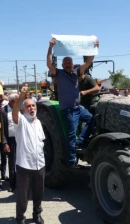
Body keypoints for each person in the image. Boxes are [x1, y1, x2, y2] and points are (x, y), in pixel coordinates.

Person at [46, 38, 98, 167]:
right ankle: (70, 162)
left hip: (78, 108)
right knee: (70, 135)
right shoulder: (58, 73)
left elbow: (89, 61)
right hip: (68, 110)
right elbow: (49, 64)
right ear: (63, 65)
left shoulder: (77, 72)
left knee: (94, 119)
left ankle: (81, 140)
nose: (68, 64)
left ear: (72, 63)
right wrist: (50, 47)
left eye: (70, 62)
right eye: (66, 63)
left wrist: (94, 49)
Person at [12, 85, 46, 224]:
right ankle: (20, 218)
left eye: (33, 106)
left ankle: (37, 214)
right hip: (24, 166)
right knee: (23, 195)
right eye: (28, 106)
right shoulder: (20, 121)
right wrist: (21, 97)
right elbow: (14, 112)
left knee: (39, 193)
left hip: (39, 165)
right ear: (23, 109)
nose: (31, 108)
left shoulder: (38, 122)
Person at [1, 93, 19, 192]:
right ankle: (12, 183)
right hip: (10, 140)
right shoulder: (4, 111)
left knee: (21, 162)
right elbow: (2, 129)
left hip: (21, 139)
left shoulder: (21, 109)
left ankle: (21, 181)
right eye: (17, 100)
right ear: (12, 101)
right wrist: (5, 143)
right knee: (12, 163)